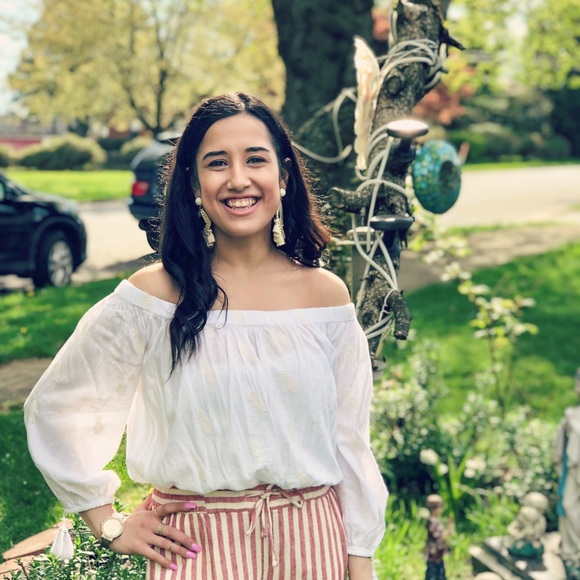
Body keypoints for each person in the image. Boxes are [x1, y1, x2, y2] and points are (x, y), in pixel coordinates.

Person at [24, 93, 388, 579]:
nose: (238, 179)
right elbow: (58, 406)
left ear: (283, 176)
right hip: (196, 548)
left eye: (255, 159)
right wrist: (108, 523)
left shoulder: (324, 296)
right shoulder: (153, 298)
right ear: (195, 184)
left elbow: (350, 440)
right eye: (217, 163)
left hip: (314, 542)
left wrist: (360, 559)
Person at [554, 368, 580, 578]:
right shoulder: (573, 414)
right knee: (568, 505)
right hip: (573, 470)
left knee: (571, 506)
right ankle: (572, 553)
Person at [424, 494, 451, 580]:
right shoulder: (431, 522)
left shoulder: (436, 520)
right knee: (433, 575)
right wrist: (448, 531)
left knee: (440, 574)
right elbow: (438, 537)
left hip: (438, 555)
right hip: (433, 556)